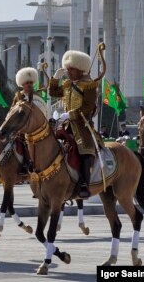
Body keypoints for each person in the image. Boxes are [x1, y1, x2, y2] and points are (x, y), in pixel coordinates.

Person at [49, 50, 101, 199]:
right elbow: (53, 92)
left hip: (82, 125)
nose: (69, 72)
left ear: (80, 69)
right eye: (68, 68)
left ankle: (84, 184)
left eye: (72, 69)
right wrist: (55, 78)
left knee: (85, 150)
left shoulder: (89, 85)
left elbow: (88, 107)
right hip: (66, 125)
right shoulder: (66, 85)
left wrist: (70, 114)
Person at [12, 67, 47, 175]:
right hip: (22, 127)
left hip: (37, 126)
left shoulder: (37, 96)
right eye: (27, 83)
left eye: (31, 82)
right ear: (22, 84)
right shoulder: (18, 96)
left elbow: (42, 109)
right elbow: (13, 111)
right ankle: (24, 164)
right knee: (18, 141)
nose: (29, 85)